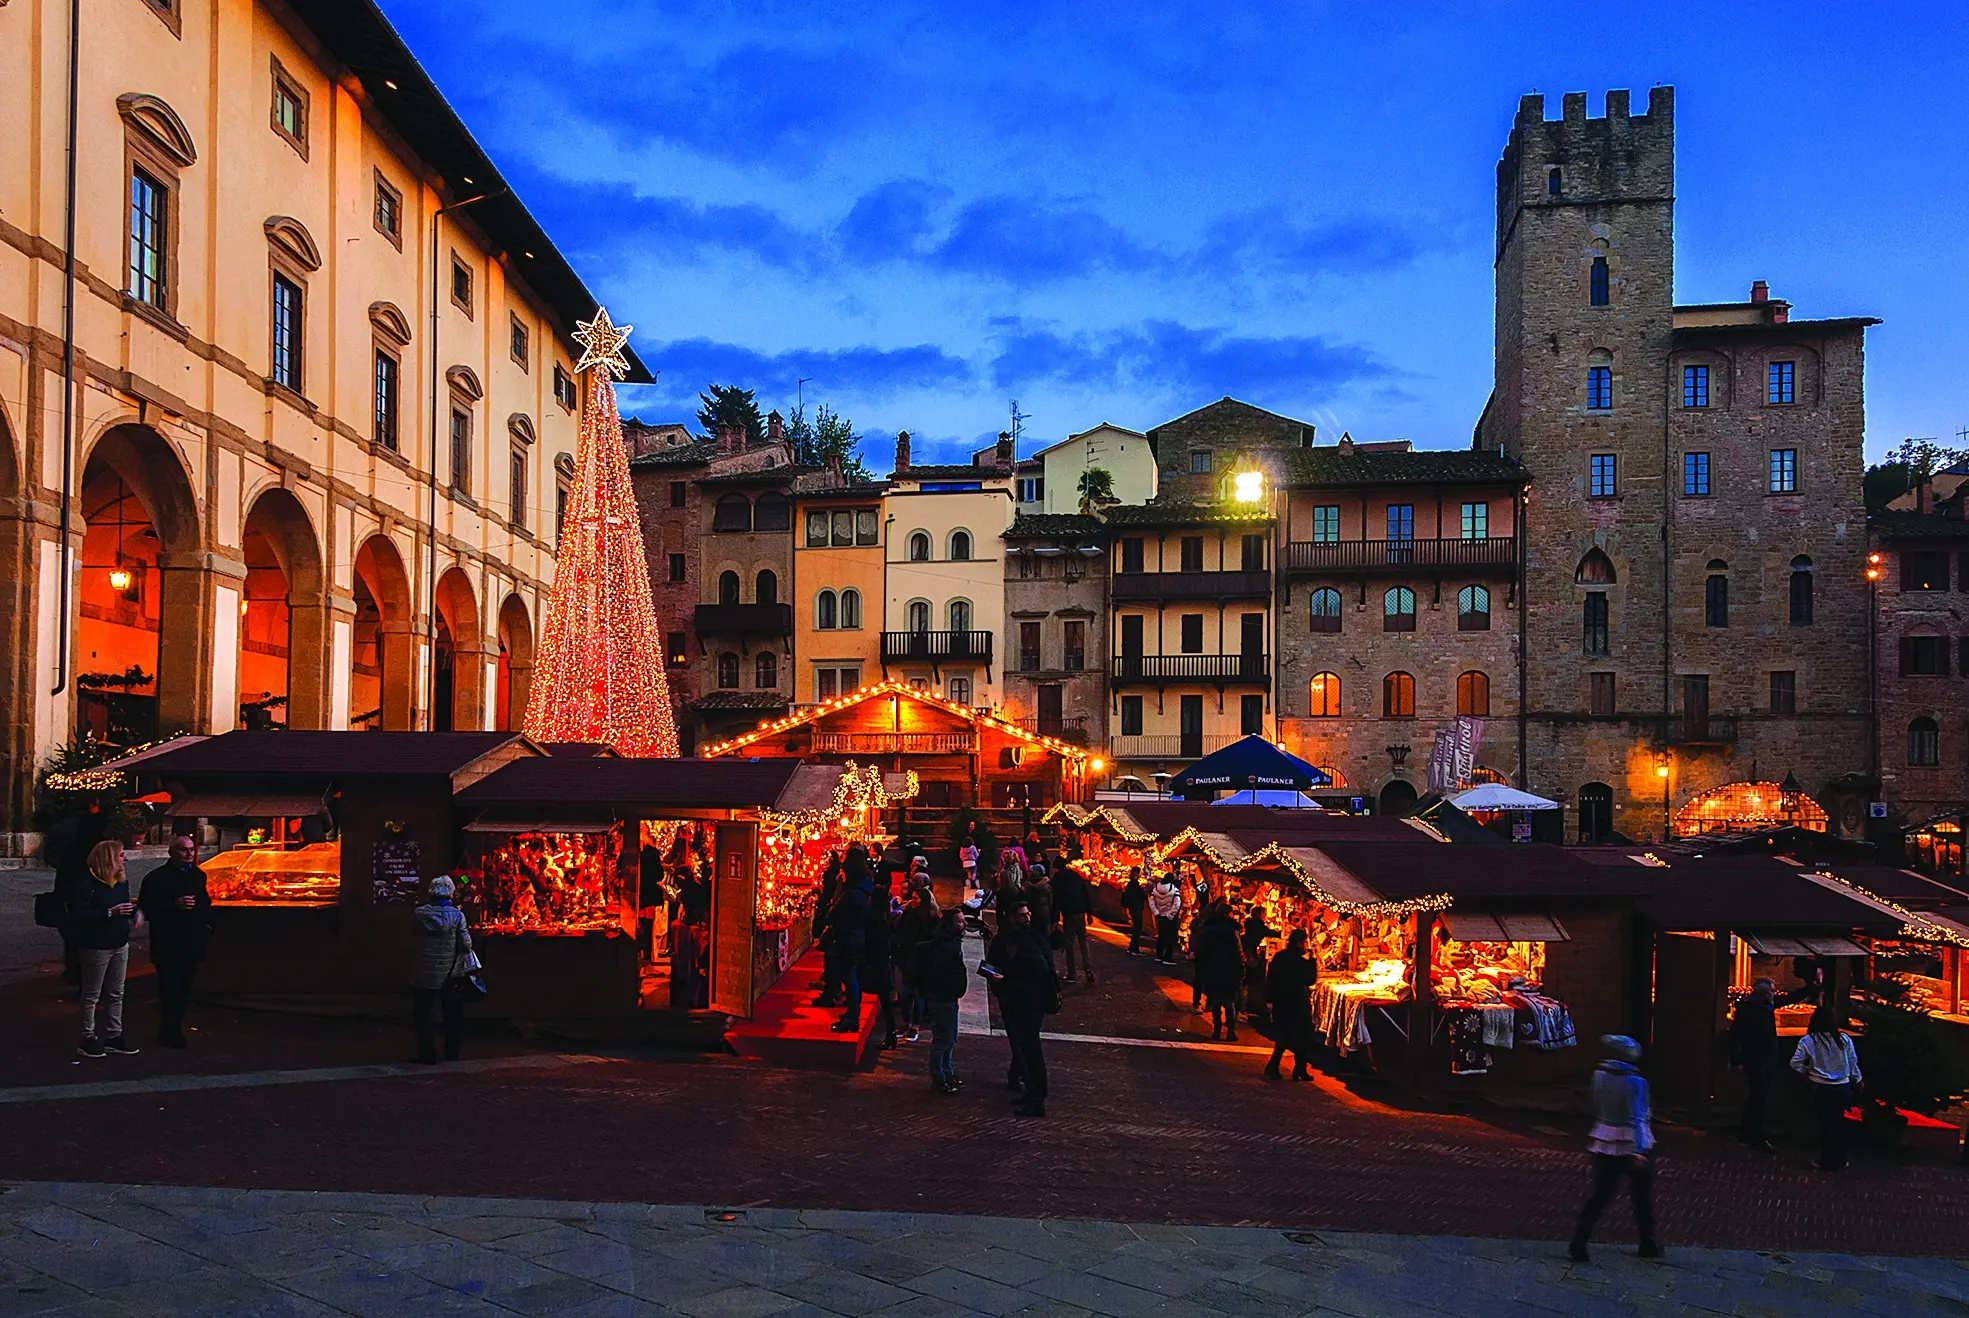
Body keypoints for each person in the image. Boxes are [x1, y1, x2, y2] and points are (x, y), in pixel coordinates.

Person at [1569, 1034, 1661, 1262]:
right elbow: (1637, 1117)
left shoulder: (1598, 1075)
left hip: (1603, 1137)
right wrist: (1639, 1149)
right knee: (1641, 1196)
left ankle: (1580, 1239)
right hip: (1631, 1140)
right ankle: (1648, 1242)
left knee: (1601, 1194)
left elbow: (1593, 1104)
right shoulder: (1636, 1082)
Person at [135, 833, 213, 1048]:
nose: (189, 853)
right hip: (168, 941)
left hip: (191, 939)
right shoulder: (156, 878)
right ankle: (170, 1028)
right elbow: (146, 907)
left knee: (185, 986)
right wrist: (173, 905)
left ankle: (174, 1024)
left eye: (191, 850)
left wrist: (206, 925)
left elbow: (205, 903)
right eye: (183, 850)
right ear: (172, 852)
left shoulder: (198, 876)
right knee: (169, 986)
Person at [70, 838, 140, 1059]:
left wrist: (135, 912)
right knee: (92, 993)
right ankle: (88, 1036)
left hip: (119, 941)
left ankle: (113, 1035)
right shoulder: (86, 883)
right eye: (120, 855)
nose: (125, 859)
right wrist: (110, 912)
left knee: (116, 992)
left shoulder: (120, 882)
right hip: (96, 944)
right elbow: (78, 914)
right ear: (109, 858)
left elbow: (124, 906)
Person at [985, 901, 1051, 1117]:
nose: (1027, 919)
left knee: (1029, 1048)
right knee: (1024, 1045)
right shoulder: (1015, 942)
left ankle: (1033, 1092)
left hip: (1026, 1005)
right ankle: (1027, 1085)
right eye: (1023, 915)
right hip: (1019, 1002)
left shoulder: (1031, 950)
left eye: (1028, 914)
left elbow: (1030, 982)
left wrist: (1004, 983)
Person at [1791, 1006, 1863, 1172]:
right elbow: (1852, 1062)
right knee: (1838, 1122)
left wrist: (1808, 1073)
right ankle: (1840, 1157)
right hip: (1842, 1086)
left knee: (1825, 1125)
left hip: (1821, 1087)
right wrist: (1857, 1081)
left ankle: (1827, 1160)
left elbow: (1795, 1063)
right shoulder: (1844, 1039)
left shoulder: (1809, 1041)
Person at [411, 875, 474, 1064]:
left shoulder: (419, 913)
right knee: (452, 1014)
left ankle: (426, 1054)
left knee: (423, 1015)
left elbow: (412, 937)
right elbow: (466, 944)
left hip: (424, 971)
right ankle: (452, 1052)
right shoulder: (457, 916)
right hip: (449, 972)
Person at [919, 908, 969, 1093]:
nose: (963, 925)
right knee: (943, 1040)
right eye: (960, 921)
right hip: (943, 1000)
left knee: (950, 1038)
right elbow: (939, 973)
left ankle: (946, 1072)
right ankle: (939, 1076)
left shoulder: (950, 943)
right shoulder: (947, 947)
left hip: (948, 998)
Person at [1729, 977, 1780, 1152]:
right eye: (1771, 991)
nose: (1773, 994)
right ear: (1762, 994)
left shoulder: (1766, 1007)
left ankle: (1749, 1132)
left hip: (1766, 1059)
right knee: (1758, 1096)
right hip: (1755, 1059)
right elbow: (1736, 1035)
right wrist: (1737, 1059)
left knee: (1759, 1095)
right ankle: (1753, 1133)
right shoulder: (1749, 1011)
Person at [830, 844, 875, 1033]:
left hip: (850, 938)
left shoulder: (853, 893)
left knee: (850, 978)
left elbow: (840, 914)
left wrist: (834, 909)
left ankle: (852, 1017)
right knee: (851, 977)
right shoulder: (863, 887)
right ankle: (852, 1012)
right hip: (855, 937)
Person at [892, 877, 941, 1043]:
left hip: (921, 960)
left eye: (915, 898)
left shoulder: (932, 918)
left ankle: (915, 1025)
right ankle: (906, 1021)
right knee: (904, 993)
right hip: (905, 957)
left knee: (919, 994)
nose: (912, 901)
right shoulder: (907, 914)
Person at [1263, 929, 1316, 1080]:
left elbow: (1271, 978)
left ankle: (1278, 1066)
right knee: (1301, 1035)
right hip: (1297, 1001)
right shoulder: (1301, 960)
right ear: (1300, 943)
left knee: (1284, 1035)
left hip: (1281, 1000)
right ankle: (1298, 1069)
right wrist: (1312, 962)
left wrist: (1270, 999)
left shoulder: (1280, 957)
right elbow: (1310, 980)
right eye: (1305, 942)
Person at [1192, 901, 1244, 1041]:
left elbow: (1202, 949)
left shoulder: (1208, 929)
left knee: (1215, 1001)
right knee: (1229, 1002)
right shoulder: (1232, 931)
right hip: (1229, 969)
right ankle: (1231, 1031)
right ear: (1229, 914)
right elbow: (1238, 953)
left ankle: (1217, 1029)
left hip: (1212, 968)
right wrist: (1241, 970)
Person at [1053, 862, 1095, 985]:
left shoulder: (1058, 879)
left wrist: (1055, 919)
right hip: (1080, 912)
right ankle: (1089, 970)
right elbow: (1085, 893)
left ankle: (1072, 973)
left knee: (1069, 943)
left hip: (1069, 913)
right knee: (1083, 941)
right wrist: (1089, 912)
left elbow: (1057, 899)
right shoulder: (1076, 876)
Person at [1240, 903, 1279, 1022]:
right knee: (1248, 983)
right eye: (1264, 914)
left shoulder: (1250, 924)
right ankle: (1243, 1009)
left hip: (1248, 954)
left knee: (1245, 983)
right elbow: (1270, 933)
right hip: (1250, 956)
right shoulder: (1258, 926)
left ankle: (1243, 1008)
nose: (1265, 916)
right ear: (1259, 915)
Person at [1148, 872, 1184, 965]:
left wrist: (1156, 913)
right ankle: (1168, 957)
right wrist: (1170, 915)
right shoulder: (1174, 890)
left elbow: (1151, 903)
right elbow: (1177, 904)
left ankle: (1159, 955)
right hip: (1170, 918)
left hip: (1160, 916)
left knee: (1161, 935)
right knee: (1170, 937)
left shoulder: (1155, 889)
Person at [1121, 869, 1149, 956]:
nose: (1141, 875)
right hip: (1136, 908)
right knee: (1137, 928)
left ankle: (1132, 947)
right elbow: (1141, 895)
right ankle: (1135, 948)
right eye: (1139, 873)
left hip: (1133, 908)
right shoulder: (1134, 885)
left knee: (1136, 928)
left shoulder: (1131, 884)